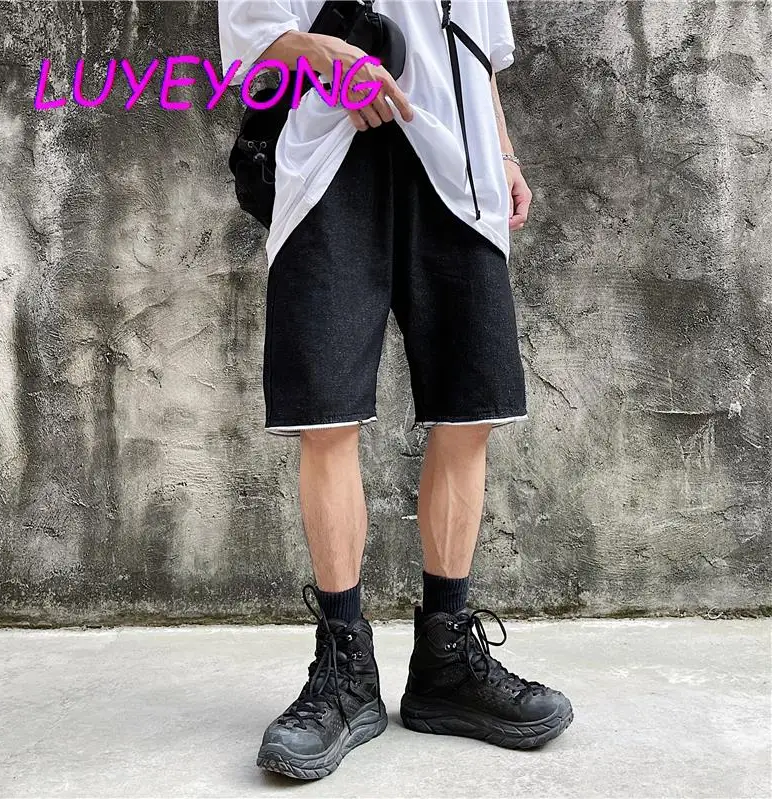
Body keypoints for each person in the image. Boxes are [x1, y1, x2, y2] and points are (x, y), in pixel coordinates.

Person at [218, 0, 573, 780]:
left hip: (461, 162)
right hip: (328, 159)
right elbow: (252, 37)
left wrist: (505, 153)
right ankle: (345, 669)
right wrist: (322, 52)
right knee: (326, 414)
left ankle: (445, 661)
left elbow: (479, 49)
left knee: (470, 408)